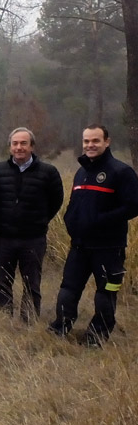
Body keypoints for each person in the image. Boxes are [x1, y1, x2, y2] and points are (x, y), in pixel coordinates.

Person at [49, 124, 138, 347]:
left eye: (95, 140)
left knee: (105, 293)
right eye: (86, 141)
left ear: (107, 142)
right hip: (79, 246)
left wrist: (100, 221)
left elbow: (133, 206)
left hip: (109, 247)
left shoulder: (121, 172)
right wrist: (70, 220)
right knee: (68, 290)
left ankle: (96, 338)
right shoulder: (82, 172)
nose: (90, 145)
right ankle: (60, 328)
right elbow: (75, 204)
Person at [0, 127, 63, 321]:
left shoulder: (48, 172)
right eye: (15, 143)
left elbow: (56, 200)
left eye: (23, 143)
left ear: (32, 146)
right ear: (10, 147)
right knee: (3, 281)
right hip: (4, 237)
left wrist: (39, 220)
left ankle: (29, 321)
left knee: (32, 282)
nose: (19, 147)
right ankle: (4, 320)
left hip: (33, 238)